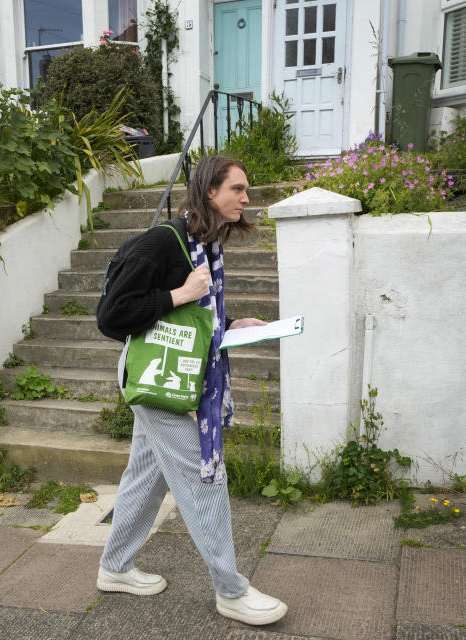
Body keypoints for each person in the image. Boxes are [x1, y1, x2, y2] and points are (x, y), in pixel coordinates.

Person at [94, 156, 288, 626]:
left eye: (246, 190)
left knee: (147, 474)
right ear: (209, 193)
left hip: (177, 374)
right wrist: (180, 294)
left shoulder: (206, 246)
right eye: (237, 189)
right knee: (206, 477)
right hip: (155, 379)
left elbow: (194, 316)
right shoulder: (164, 242)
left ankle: (115, 567)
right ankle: (231, 591)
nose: (246, 198)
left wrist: (231, 324)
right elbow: (112, 314)